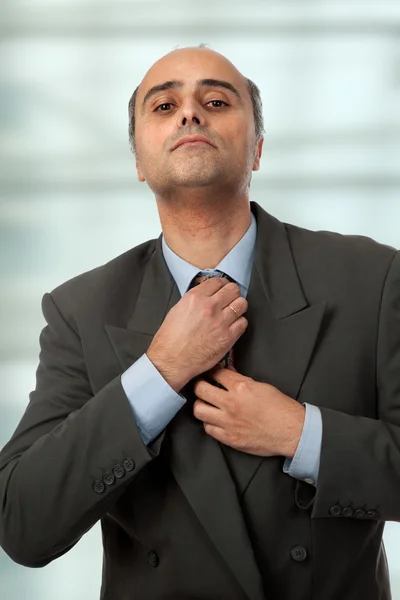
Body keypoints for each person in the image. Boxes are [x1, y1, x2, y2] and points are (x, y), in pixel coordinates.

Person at [0, 45, 399, 600]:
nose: (190, 113)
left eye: (215, 100)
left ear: (257, 148)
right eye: (163, 107)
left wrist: (300, 434)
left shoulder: (374, 279)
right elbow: (22, 523)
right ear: (139, 162)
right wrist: (159, 372)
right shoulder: (80, 310)